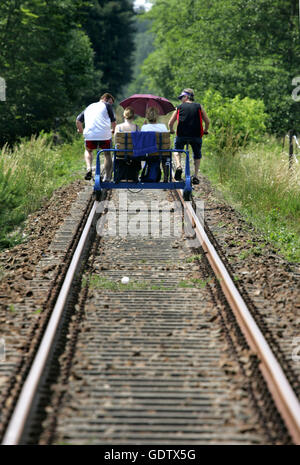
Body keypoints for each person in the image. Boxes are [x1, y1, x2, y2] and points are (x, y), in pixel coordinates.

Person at [168, 88, 210, 185]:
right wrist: (205, 130)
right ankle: (195, 176)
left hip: (181, 135)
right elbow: (207, 121)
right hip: (196, 136)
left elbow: (170, 123)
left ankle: (178, 166)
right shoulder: (199, 106)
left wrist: (171, 130)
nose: (180, 99)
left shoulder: (179, 107)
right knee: (197, 155)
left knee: (177, 151)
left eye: (181, 97)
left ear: (186, 96)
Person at [76, 92, 116, 180]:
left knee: (88, 150)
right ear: (106, 99)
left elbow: (78, 121)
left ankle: (89, 168)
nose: (111, 105)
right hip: (104, 135)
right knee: (107, 153)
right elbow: (113, 122)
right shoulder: (107, 105)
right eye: (111, 102)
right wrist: (114, 130)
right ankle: (108, 176)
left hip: (90, 135)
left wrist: (81, 131)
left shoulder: (89, 107)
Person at [141, 107, 169, 182]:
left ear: (148, 117)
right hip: (161, 153)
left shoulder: (144, 127)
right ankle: (166, 176)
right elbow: (166, 141)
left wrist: (144, 126)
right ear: (157, 116)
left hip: (149, 153)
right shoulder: (163, 126)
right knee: (166, 155)